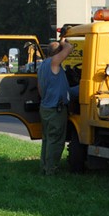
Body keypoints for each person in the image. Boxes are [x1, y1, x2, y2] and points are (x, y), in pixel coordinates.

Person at [37, 36, 74, 175]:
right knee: (56, 140)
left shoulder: (42, 66)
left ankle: (44, 167)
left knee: (47, 140)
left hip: (46, 107)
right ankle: (51, 170)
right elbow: (69, 48)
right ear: (57, 53)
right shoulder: (54, 63)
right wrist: (63, 42)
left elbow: (40, 89)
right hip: (55, 110)